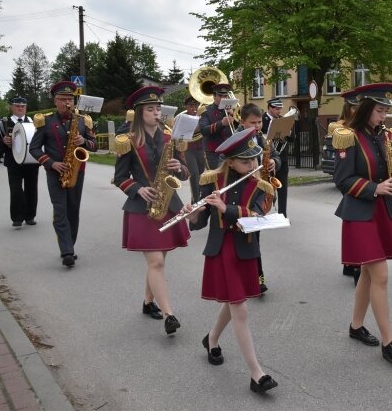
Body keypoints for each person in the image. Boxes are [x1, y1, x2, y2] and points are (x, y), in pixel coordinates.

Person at [185, 127, 278, 393]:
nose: (253, 165)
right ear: (230, 161)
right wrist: (192, 214)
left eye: (254, 159)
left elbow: (258, 216)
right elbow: (200, 221)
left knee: (234, 301)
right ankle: (256, 374)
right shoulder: (210, 180)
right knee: (239, 307)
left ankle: (211, 339)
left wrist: (228, 209)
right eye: (246, 161)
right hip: (221, 249)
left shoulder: (261, 185)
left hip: (244, 248)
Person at [333, 82, 392, 363]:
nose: (384, 116)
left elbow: (386, 168)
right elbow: (342, 180)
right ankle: (389, 342)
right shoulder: (347, 136)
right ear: (365, 110)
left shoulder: (385, 136)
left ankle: (355, 326)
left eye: (386, 111)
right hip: (360, 211)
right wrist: (374, 188)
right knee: (380, 275)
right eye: (379, 111)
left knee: (367, 273)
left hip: (381, 211)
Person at [113, 86, 191, 335]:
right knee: (156, 260)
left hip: (168, 202)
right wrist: (137, 189)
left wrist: (179, 166)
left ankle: (148, 302)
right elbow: (120, 177)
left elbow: (186, 173)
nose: (156, 113)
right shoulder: (128, 141)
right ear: (139, 113)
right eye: (150, 109)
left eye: (158, 108)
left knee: (159, 259)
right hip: (142, 207)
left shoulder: (171, 137)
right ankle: (169, 313)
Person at [29, 81, 98, 267]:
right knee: (60, 211)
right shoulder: (46, 121)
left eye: (70, 99)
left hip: (77, 172)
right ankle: (67, 251)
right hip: (55, 173)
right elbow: (34, 148)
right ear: (55, 101)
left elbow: (95, 145)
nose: (67, 102)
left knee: (73, 211)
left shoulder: (83, 120)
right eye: (63, 99)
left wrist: (84, 140)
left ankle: (70, 244)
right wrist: (52, 163)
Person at [239, 102, 281, 294]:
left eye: (259, 123)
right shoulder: (235, 139)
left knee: (254, 237)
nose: (257, 127)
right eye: (252, 123)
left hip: (258, 195)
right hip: (241, 196)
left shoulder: (262, 138)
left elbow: (277, 156)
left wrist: (273, 161)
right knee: (245, 239)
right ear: (242, 121)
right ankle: (250, 277)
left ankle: (256, 278)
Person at [0, 97, 39, 227]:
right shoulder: (3, 123)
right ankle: (17, 218)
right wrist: (3, 142)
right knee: (16, 190)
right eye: (17, 105)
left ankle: (30, 216)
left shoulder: (32, 122)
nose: (20, 108)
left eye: (23, 106)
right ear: (11, 107)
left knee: (31, 189)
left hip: (31, 161)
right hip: (13, 162)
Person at [329, 89, 361, 282]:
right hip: (348, 174)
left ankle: (351, 263)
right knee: (352, 222)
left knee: (353, 223)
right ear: (348, 108)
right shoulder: (340, 126)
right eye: (355, 107)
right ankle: (352, 263)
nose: (357, 110)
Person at [261, 97, 292, 216]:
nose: (279, 111)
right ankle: (262, 211)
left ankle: (282, 214)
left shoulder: (283, 120)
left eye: (280, 109)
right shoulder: (262, 120)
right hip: (268, 160)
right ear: (269, 108)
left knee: (282, 187)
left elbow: (292, 139)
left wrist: (289, 133)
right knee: (266, 187)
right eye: (276, 108)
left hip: (282, 159)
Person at [199, 82, 237, 170]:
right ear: (214, 96)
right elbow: (203, 130)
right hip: (214, 152)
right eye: (220, 96)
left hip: (230, 150)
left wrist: (234, 117)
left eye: (225, 96)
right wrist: (221, 123)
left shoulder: (232, 110)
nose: (223, 99)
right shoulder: (206, 111)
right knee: (218, 179)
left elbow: (240, 129)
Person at [182, 96, 205, 203]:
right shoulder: (182, 118)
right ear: (186, 106)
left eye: (196, 105)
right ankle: (195, 200)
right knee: (194, 174)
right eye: (191, 105)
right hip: (188, 150)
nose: (194, 108)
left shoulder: (202, 117)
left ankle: (197, 196)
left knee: (200, 174)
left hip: (200, 148)